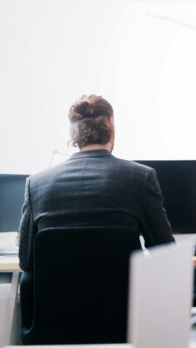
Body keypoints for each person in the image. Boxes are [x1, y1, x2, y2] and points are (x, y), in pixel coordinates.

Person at [19, 95, 174, 275]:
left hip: (56, 301)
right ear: (111, 123)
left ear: (72, 131)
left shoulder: (36, 184)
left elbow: (26, 261)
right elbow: (165, 253)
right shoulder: (141, 177)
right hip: (122, 300)